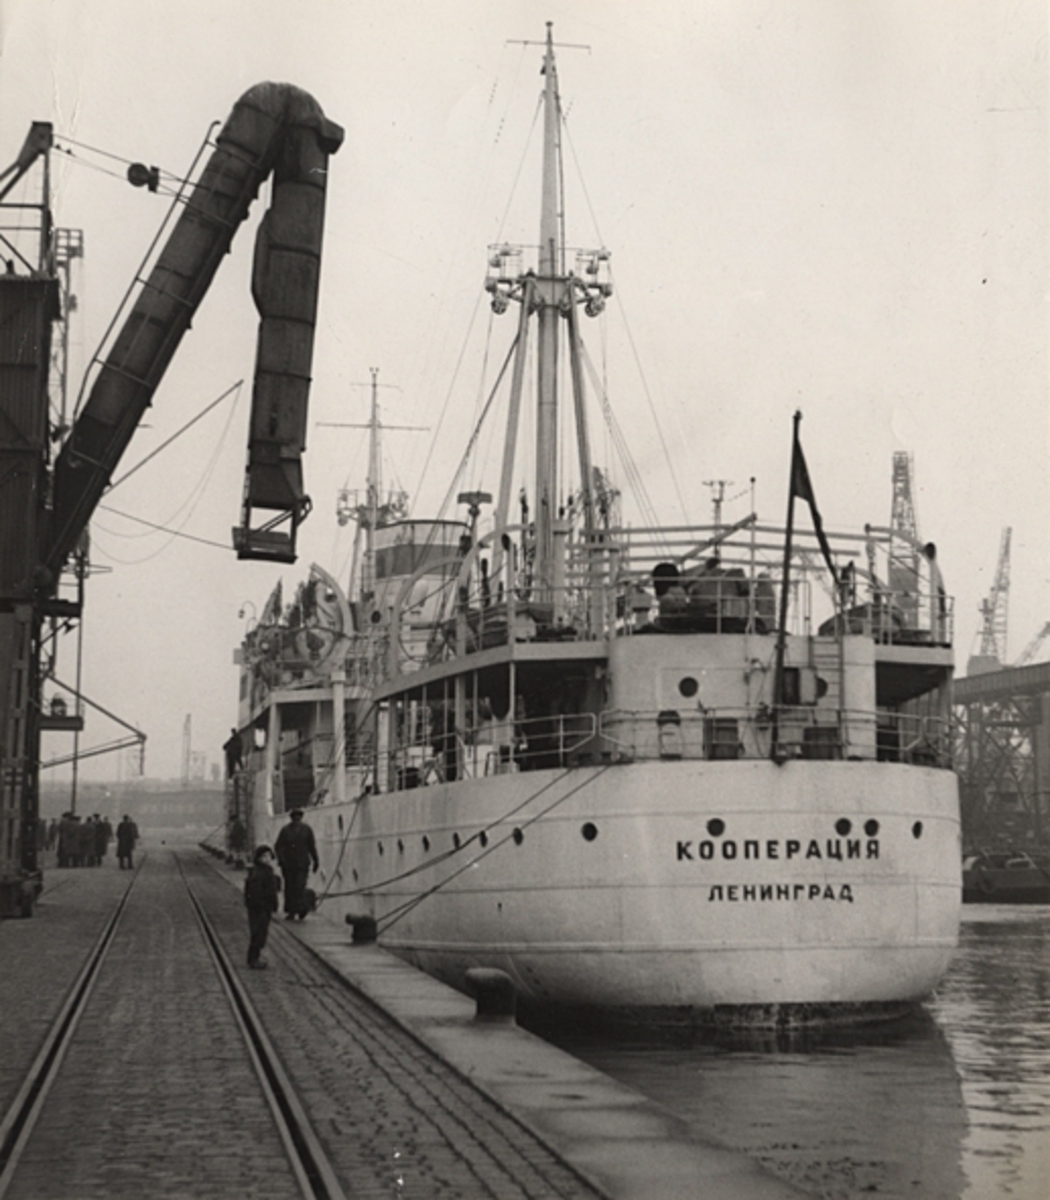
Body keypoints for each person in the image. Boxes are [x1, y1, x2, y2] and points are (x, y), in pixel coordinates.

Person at [274, 809, 318, 919]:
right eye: (295, 818)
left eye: (298, 818)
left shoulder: (307, 830)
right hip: (288, 864)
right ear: (292, 818)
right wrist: (281, 860)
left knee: (300, 885)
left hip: (302, 863)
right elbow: (278, 846)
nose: (297, 820)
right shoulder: (285, 830)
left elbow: (311, 846)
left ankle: (301, 908)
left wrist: (316, 860)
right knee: (290, 887)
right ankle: (291, 911)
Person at [244, 845, 281, 969]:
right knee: (258, 933)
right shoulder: (259, 873)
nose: (267, 859)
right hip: (259, 908)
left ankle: (254, 958)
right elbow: (256, 892)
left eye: (269, 856)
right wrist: (263, 905)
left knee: (261, 933)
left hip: (265, 907)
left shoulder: (266, 870)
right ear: (259, 858)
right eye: (264, 856)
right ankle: (253, 959)